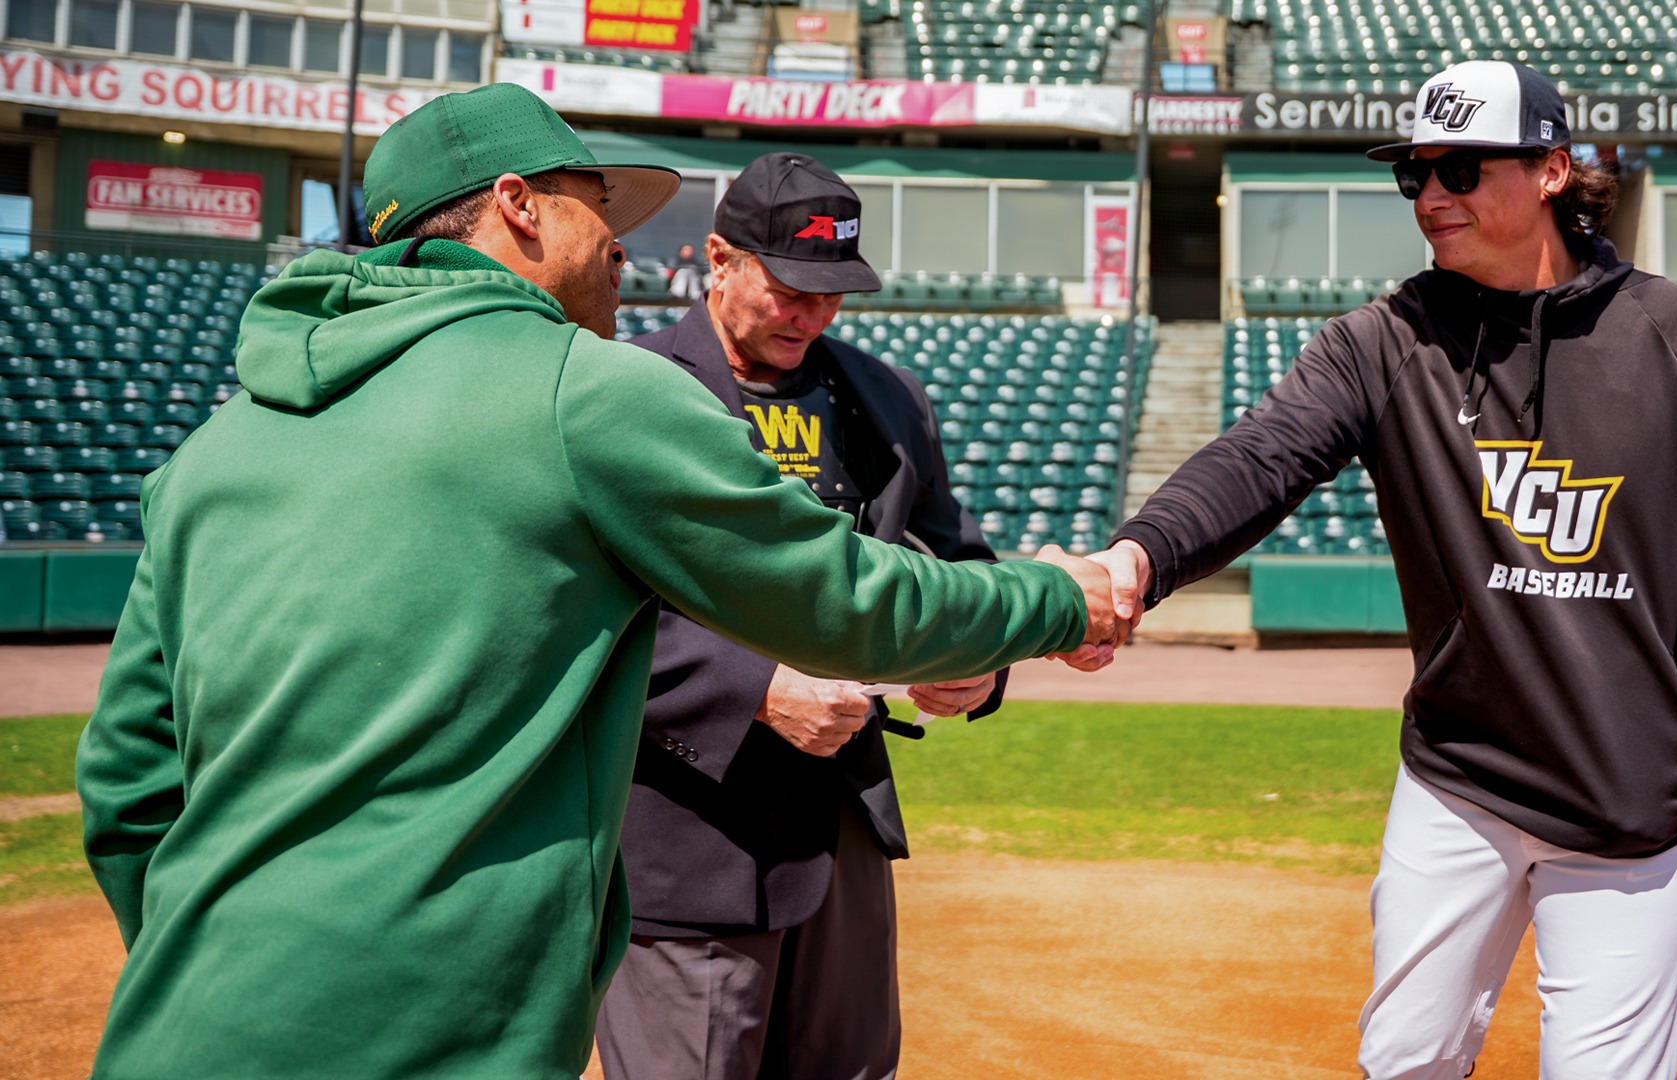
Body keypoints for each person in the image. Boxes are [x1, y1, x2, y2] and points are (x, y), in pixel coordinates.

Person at [74, 83, 1121, 1080]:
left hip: (187, 1016)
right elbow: (850, 602)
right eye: (597, 206)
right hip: (437, 1023)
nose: (623, 243)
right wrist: (1064, 599)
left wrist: (211, 957)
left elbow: (126, 784)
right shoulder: (591, 388)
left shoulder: (210, 451)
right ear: (516, 208)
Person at [1087, 60, 1677, 1079]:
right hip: (1458, 781)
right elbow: (1263, 454)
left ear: (1552, 170)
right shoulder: (1390, 340)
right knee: (1405, 1061)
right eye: (1413, 175)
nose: (1430, 197)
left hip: (1631, 805)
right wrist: (1139, 555)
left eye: (1461, 170)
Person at [592, 154, 994, 1080]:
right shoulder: (621, 383)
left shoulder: (884, 395)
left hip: (842, 824)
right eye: (788, 290)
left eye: (833, 295)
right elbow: (576, 600)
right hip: (687, 835)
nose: (812, 317)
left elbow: (957, 559)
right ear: (718, 260)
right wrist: (756, 691)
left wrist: (979, 660)